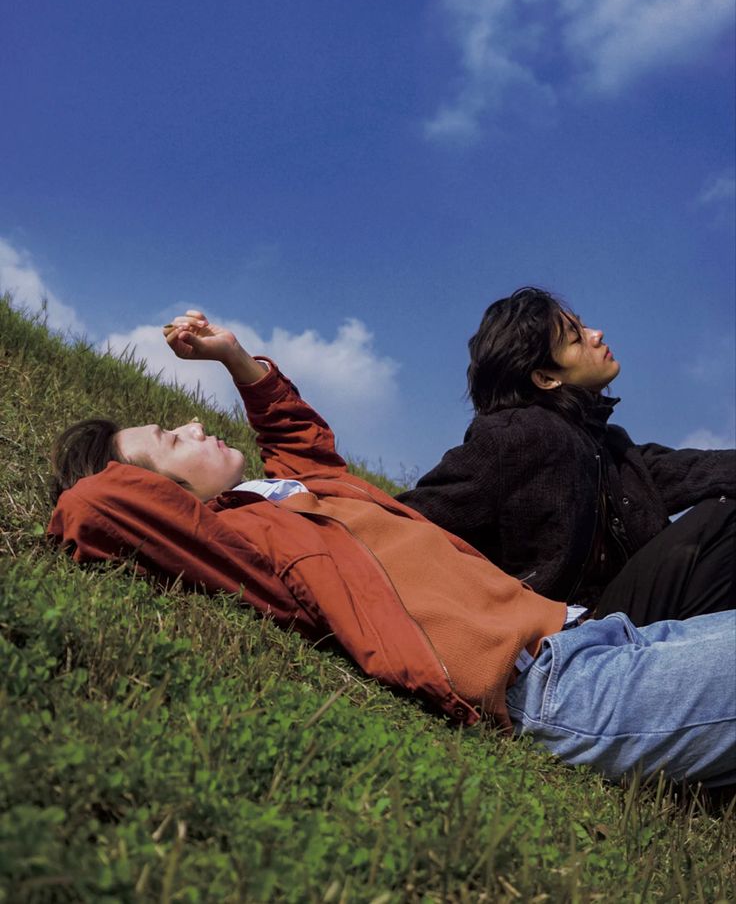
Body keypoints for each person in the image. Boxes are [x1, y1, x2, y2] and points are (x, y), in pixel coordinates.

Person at [48, 309, 736, 786]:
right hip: (555, 690)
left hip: (599, 637)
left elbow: (297, 438)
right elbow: (90, 509)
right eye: (172, 440)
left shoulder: (288, 494)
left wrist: (231, 355)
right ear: (162, 496)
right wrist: (120, 464)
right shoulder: (237, 541)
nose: (193, 424)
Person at [397, 287, 735, 624]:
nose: (597, 335)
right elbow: (407, 522)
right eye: (576, 339)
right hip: (561, 638)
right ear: (545, 378)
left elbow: (700, 470)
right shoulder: (517, 435)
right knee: (725, 520)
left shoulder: (610, 448)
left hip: (622, 622)